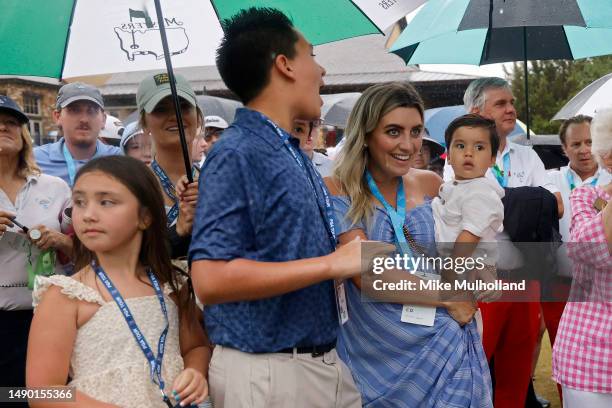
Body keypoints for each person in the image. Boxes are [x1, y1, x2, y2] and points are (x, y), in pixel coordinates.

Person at [189, 8, 391, 407]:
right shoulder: (238, 151)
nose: (322, 71)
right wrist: (336, 263)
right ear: (283, 65)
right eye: (312, 55)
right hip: (269, 374)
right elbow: (209, 280)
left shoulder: (290, 152)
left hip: (316, 366)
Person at [326, 82, 493, 407]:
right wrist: (449, 297)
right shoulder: (338, 189)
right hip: (381, 355)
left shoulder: (430, 183)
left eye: (415, 131)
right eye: (393, 131)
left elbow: (463, 247)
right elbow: (370, 274)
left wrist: (481, 268)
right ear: (367, 133)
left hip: (448, 344)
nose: (408, 144)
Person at [27, 156, 211, 408]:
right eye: (79, 202)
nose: (88, 214)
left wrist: (196, 372)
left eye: (106, 202)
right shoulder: (66, 295)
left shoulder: (172, 283)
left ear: (145, 217)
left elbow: (196, 347)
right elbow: (42, 392)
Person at [443, 77, 562, 408]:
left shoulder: (528, 157)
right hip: (481, 281)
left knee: (516, 376)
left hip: (525, 279)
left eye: (512, 102)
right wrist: (527, 203)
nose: (511, 109)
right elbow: (462, 215)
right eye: (501, 104)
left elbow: (554, 207)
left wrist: (501, 206)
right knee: (474, 374)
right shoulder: (455, 159)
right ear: (476, 111)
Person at [0, 95, 72, 404]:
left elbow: (85, 250)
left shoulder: (54, 187)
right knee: (6, 399)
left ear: (24, 135)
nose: (3, 127)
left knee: (47, 398)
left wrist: (61, 241)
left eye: (12, 122)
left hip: (47, 317)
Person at [552, 108, 612, 407]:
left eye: (589, 142)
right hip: (593, 356)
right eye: (576, 144)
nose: (584, 150)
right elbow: (591, 250)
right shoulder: (587, 197)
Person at [434, 114, 503, 296]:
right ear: (448, 156)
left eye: (479, 147)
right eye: (460, 146)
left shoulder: (481, 193)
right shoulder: (458, 187)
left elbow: (470, 235)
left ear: (492, 159)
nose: (468, 153)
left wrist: (450, 270)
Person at [136, 73, 201, 259]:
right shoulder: (132, 187)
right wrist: (178, 230)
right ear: (144, 123)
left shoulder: (218, 181)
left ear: (197, 115)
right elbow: (125, 259)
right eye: (161, 109)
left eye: (184, 106)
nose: (175, 116)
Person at [34, 82, 122, 186]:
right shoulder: (34, 160)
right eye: (74, 110)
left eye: (92, 111)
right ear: (58, 117)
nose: (84, 119)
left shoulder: (121, 159)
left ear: (103, 119)